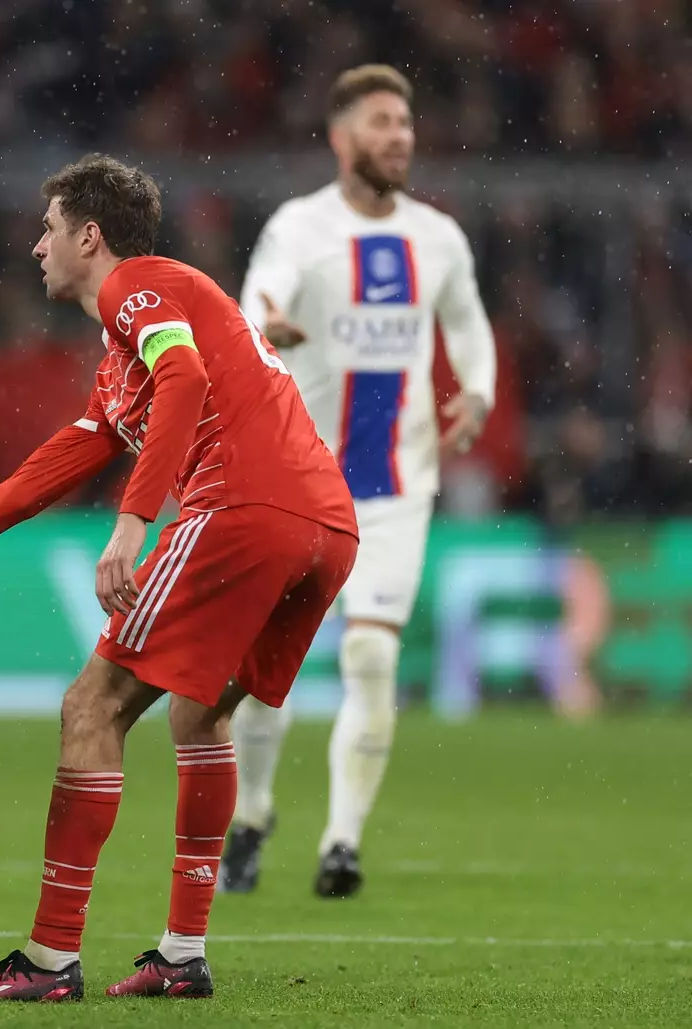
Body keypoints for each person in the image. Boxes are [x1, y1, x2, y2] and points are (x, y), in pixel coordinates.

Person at [0, 155, 358, 1000]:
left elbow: (184, 377)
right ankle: (182, 954)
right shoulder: (123, 364)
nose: (37, 246)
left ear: (89, 235)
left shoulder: (137, 286)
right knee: (199, 713)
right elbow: (27, 486)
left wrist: (132, 520)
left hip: (243, 509)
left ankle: (48, 960)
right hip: (325, 527)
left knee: (91, 706)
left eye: (48, 229)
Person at [228, 65, 497, 899]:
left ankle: (341, 841)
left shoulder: (439, 238)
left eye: (406, 123)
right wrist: (262, 323)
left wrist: (477, 389)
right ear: (343, 138)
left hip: (394, 487)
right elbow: (251, 303)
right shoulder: (299, 227)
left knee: (372, 655)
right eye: (382, 123)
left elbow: (467, 325)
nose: (399, 137)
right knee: (267, 667)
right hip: (301, 485)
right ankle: (254, 810)